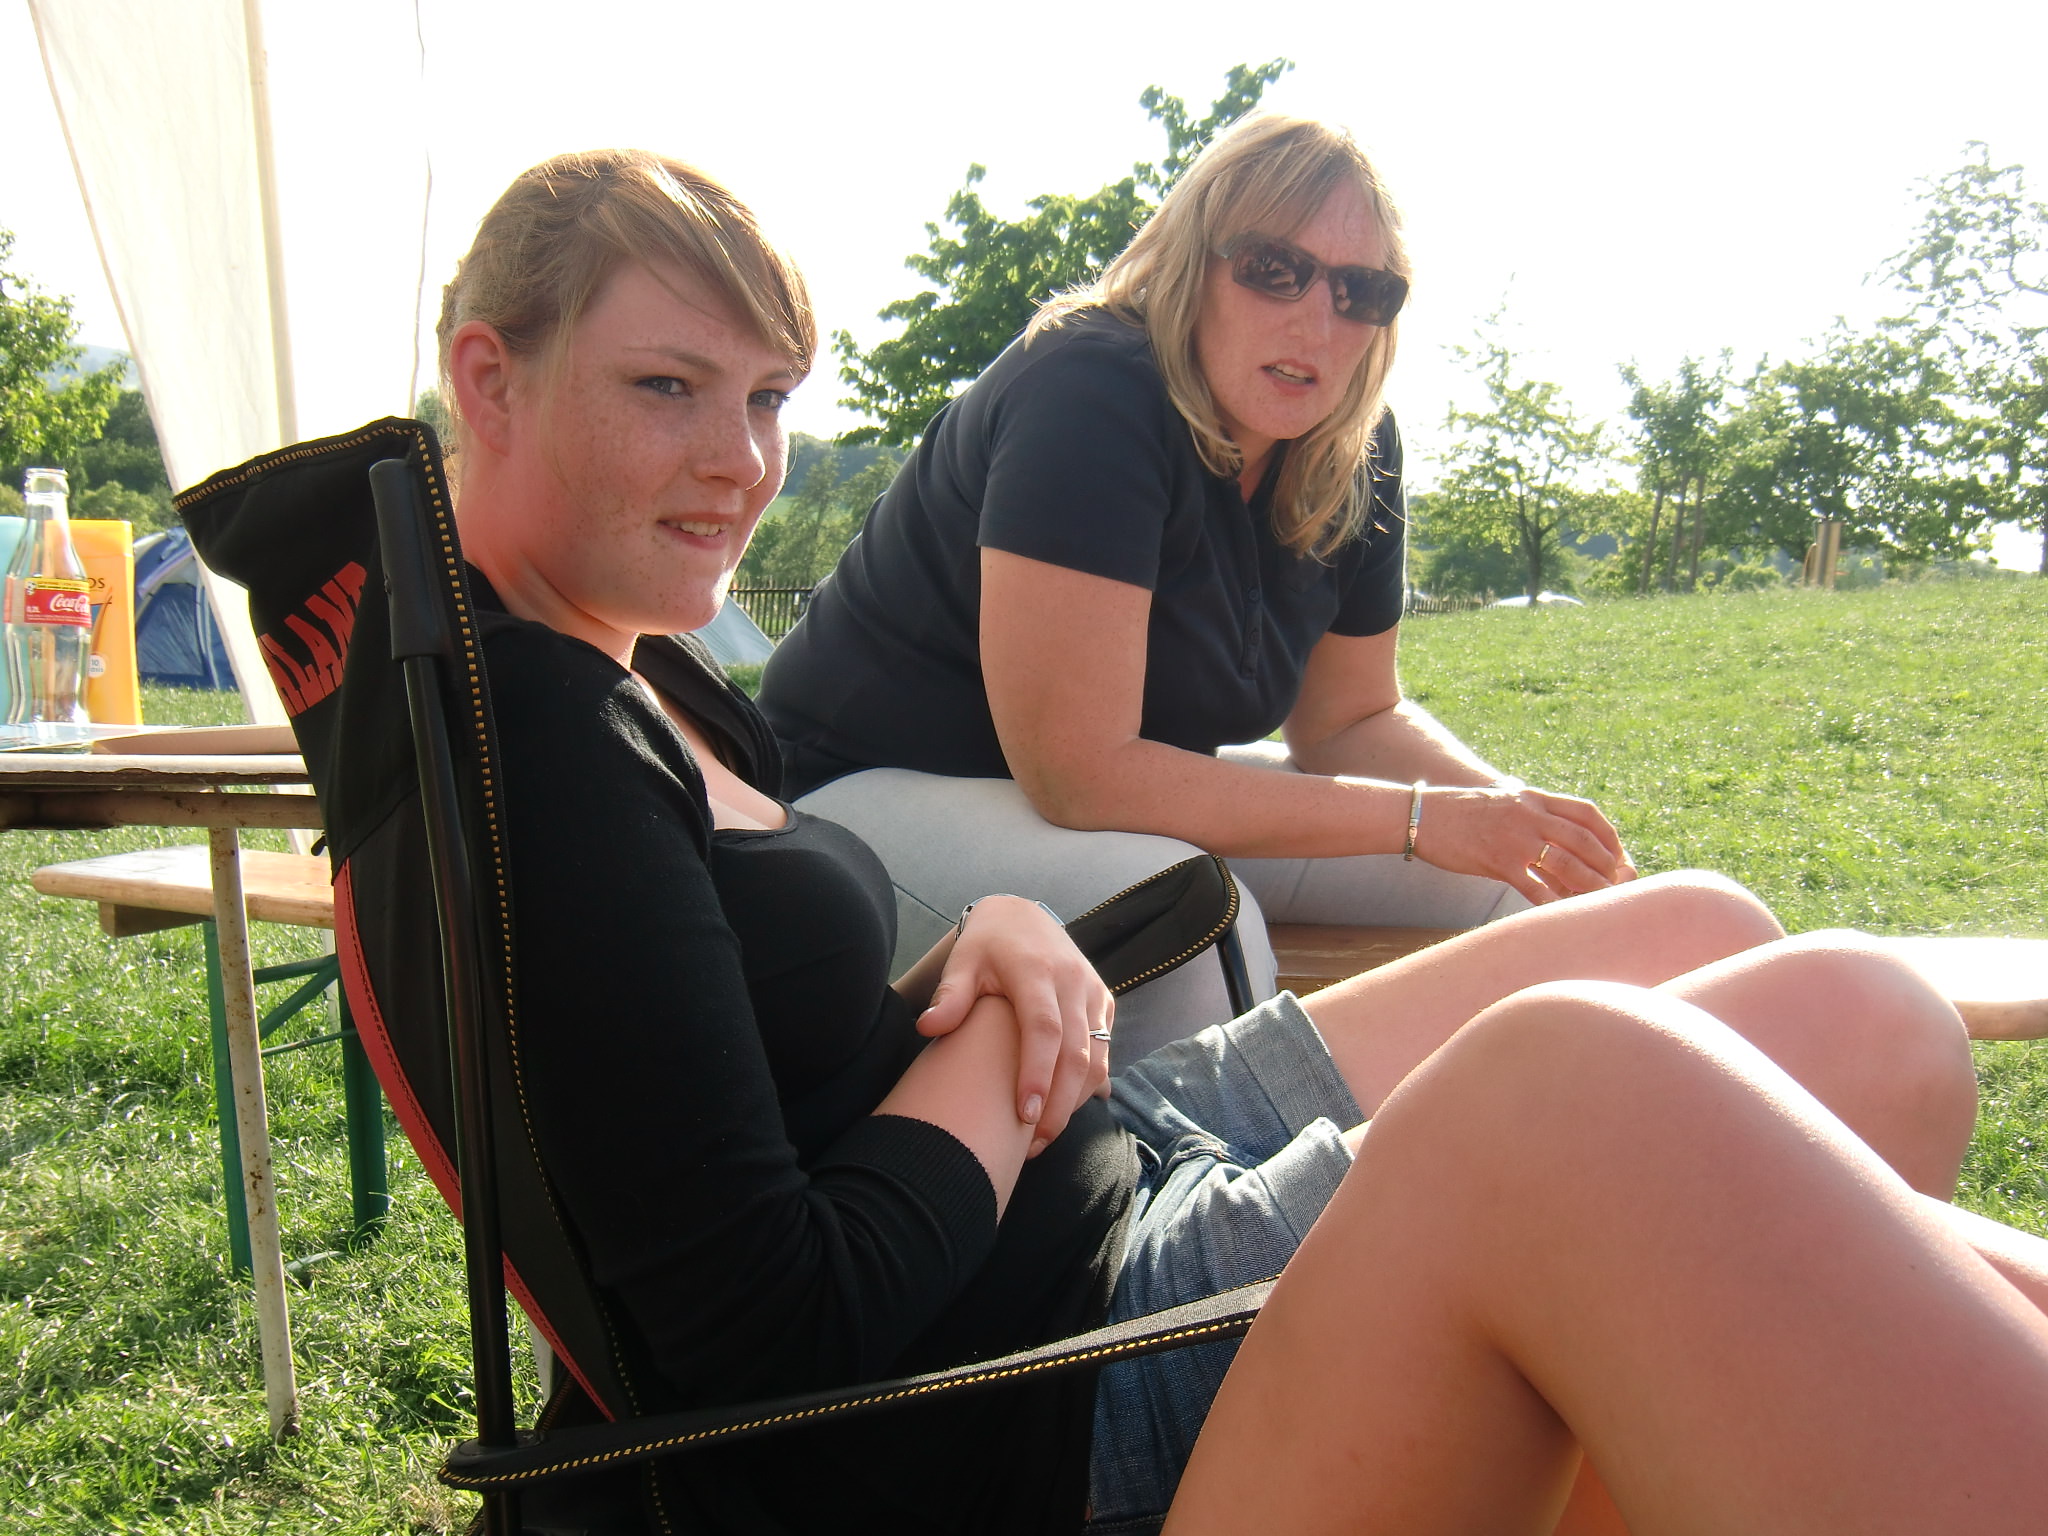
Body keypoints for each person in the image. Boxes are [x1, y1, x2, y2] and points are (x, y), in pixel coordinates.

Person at [339, 150, 2048, 1534]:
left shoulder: (626, 677)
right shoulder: (540, 751)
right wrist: (998, 1029)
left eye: (770, 398)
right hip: (1052, 1371)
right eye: (667, 388)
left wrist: (984, 943)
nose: (741, 462)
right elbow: (771, 1333)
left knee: (1824, 997)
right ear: (490, 377)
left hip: (1100, 1178)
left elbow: (736, 1061)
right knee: (1569, 1090)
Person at [756, 115, 1633, 1061]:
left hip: (1100, 810)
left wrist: (1524, 822)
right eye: (1273, 268)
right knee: (1192, 925)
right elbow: (1081, 772)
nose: (1317, 321)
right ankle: (1221, 1164)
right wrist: (1421, 819)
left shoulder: (1354, 447)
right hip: (855, 797)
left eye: (1362, 291)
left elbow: (1348, 721)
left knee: (1523, 886)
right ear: (1190, 263)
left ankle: (1517, 1139)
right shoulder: (1092, 389)